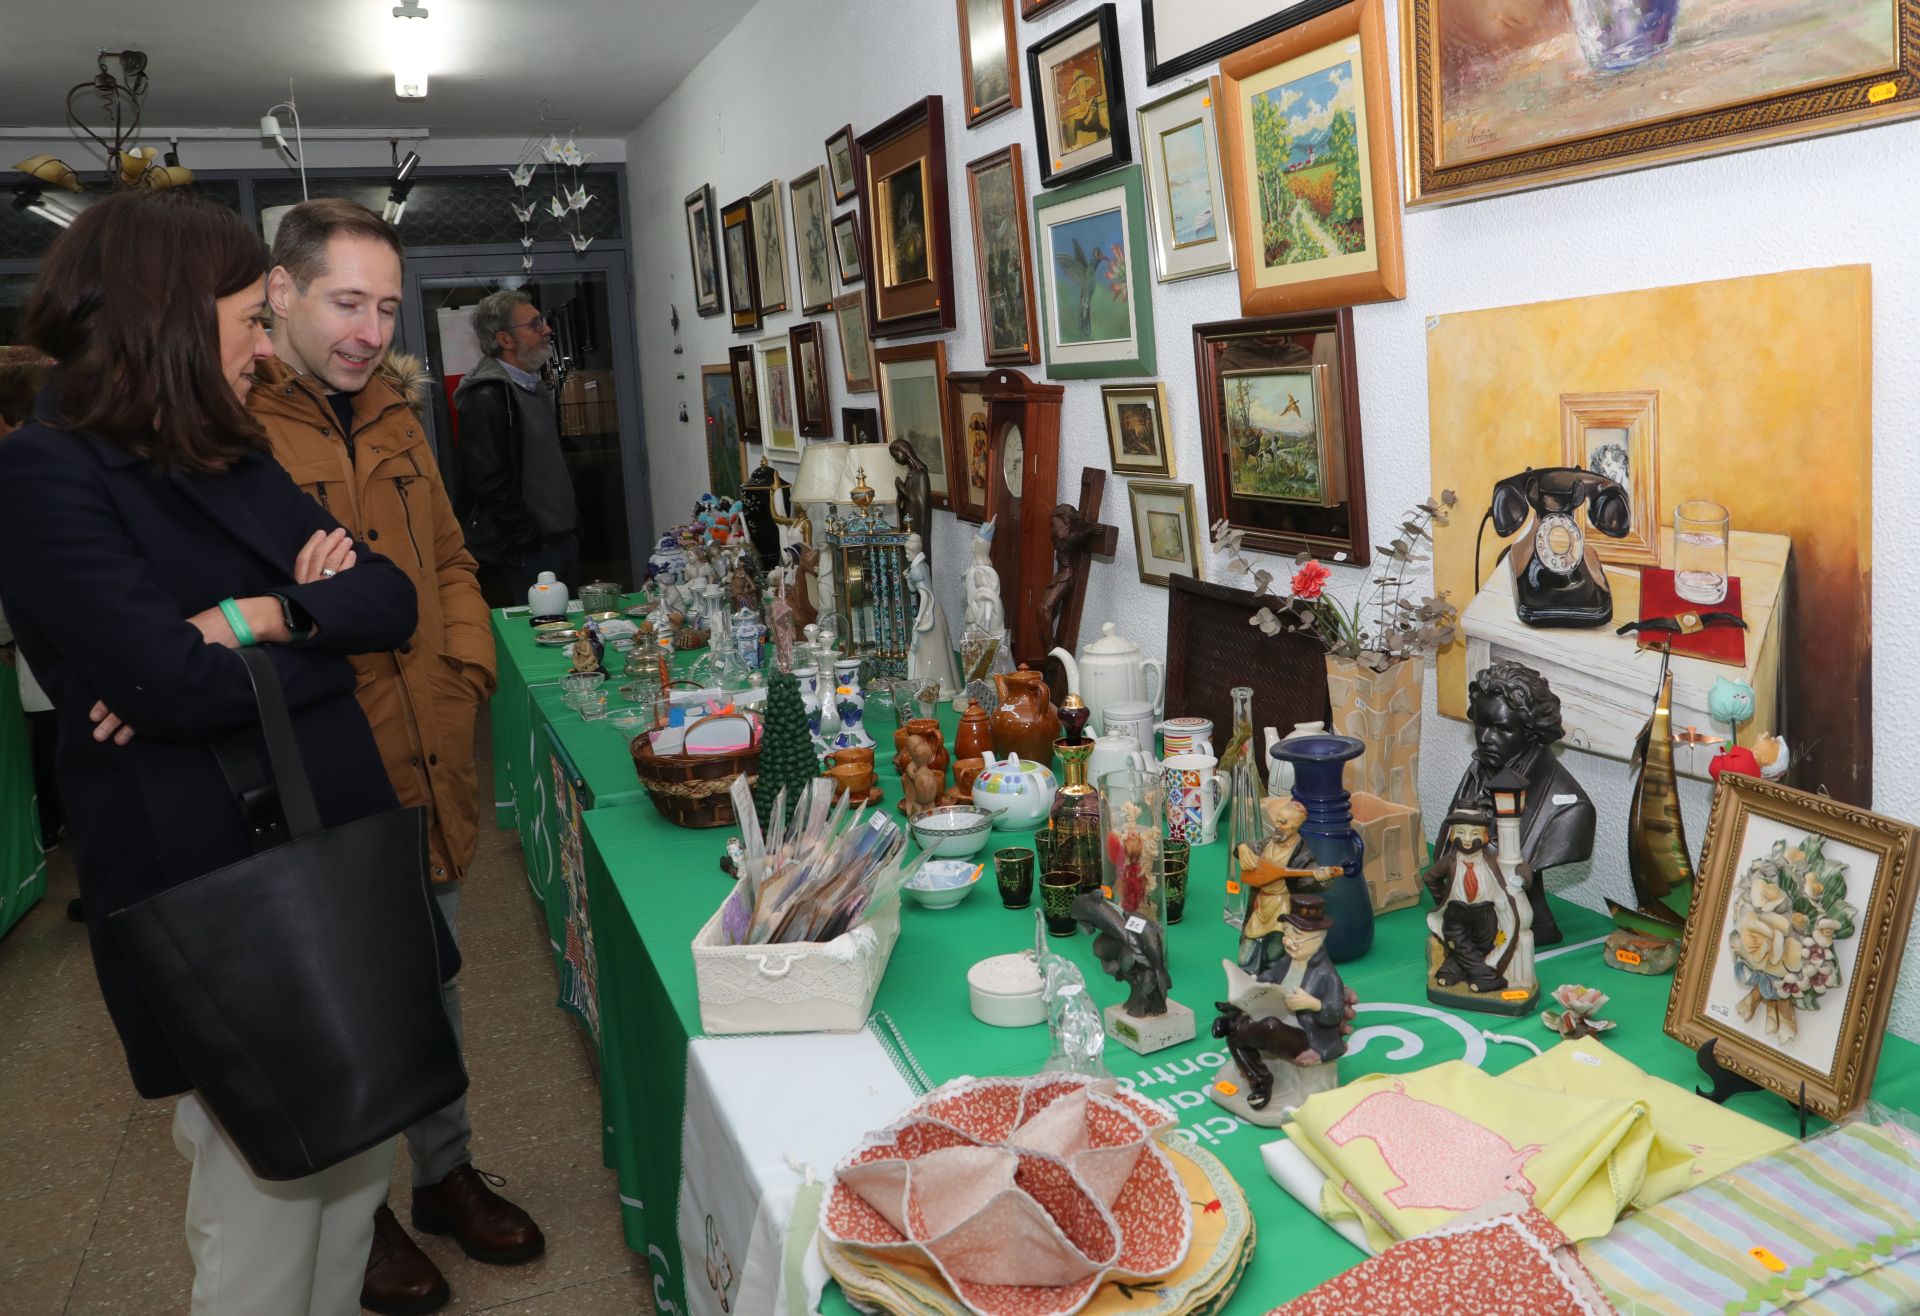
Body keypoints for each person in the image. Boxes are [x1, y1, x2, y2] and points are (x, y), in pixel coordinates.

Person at [0, 189, 422, 1315]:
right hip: (220, 896)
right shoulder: (49, 472)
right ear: (174, 319)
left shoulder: (223, 452)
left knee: (352, 1182)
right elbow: (167, 686)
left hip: (332, 853)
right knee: (262, 1214)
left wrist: (249, 620)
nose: (263, 339)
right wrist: (293, 614)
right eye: (250, 315)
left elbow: (386, 599)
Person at [247, 198, 542, 1316]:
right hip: (328, 765)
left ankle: (444, 1172)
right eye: (346, 301)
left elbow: (453, 556)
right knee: (341, 999)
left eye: (385, 305)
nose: (370, 330)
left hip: (433, 745)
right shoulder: (234, 429)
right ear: (280, 291)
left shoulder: (395, 414)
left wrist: (465, 670)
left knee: (435, 979)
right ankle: (359, 1209)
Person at [1448, 660, 1595, 945]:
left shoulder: (1571, 811)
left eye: (1502, 729)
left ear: (1531, 731)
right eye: (1481, 725)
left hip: (1519, 925)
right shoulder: (1478, 771)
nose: (1486, 738)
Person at [450, 289, 578, 606]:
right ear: (505, 340)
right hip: (528, 551)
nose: (547, 329)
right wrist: (528, 540)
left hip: (560, 541)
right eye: (535, 324)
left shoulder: (533, 385)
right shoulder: (488, 396)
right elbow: (488, 480)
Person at [0, 355, 62, 853]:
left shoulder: (21, 465)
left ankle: (57, 828)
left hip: (50, 655)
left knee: (56, 745)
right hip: (78, 658)